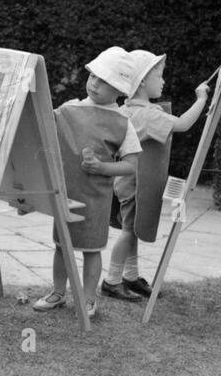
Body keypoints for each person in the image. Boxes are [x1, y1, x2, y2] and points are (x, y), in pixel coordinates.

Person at [34, 47, 141, 320]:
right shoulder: (69, 109)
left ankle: (88, 298)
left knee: (92, 250)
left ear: (118, 89)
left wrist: (103, 167)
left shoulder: (122, 122)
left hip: (96, 198)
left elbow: (131, 165)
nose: (94, 83)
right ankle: (58, 292)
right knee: (61, 245)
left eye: (104, 81)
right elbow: (43, 127)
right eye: (93, 76)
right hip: (66, 192)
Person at [103, 49, 210, 300]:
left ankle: (130, 276)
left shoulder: (127, 109)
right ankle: (112, 280)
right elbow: (183, 124)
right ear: (141, 82)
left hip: (124, 182)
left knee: (133, 229)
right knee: (129, 231)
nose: (163, 81)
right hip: (135, 185)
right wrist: (202, 99)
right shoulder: (148, 114)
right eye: (159, 76)